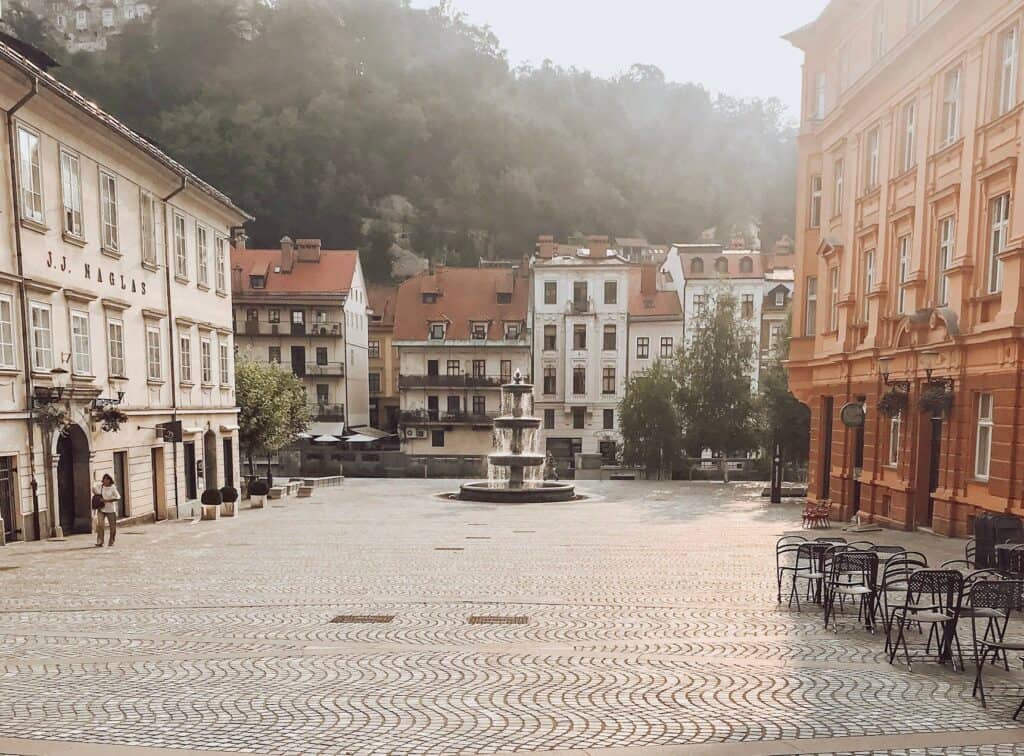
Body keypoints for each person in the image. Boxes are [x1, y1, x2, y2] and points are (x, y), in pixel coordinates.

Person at [95, 474, 120, 547]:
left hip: (111, 510)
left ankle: (111, 541)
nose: (106, 481)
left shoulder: (113, 487)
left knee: (112, 526)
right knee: (100, 525)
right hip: (101, 509)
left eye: (107, 479)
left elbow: (118, 497)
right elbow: (94, 490)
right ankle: (100, 541)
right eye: (104, 479)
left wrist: (107, 500)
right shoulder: (100, 487)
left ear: (110, 480)